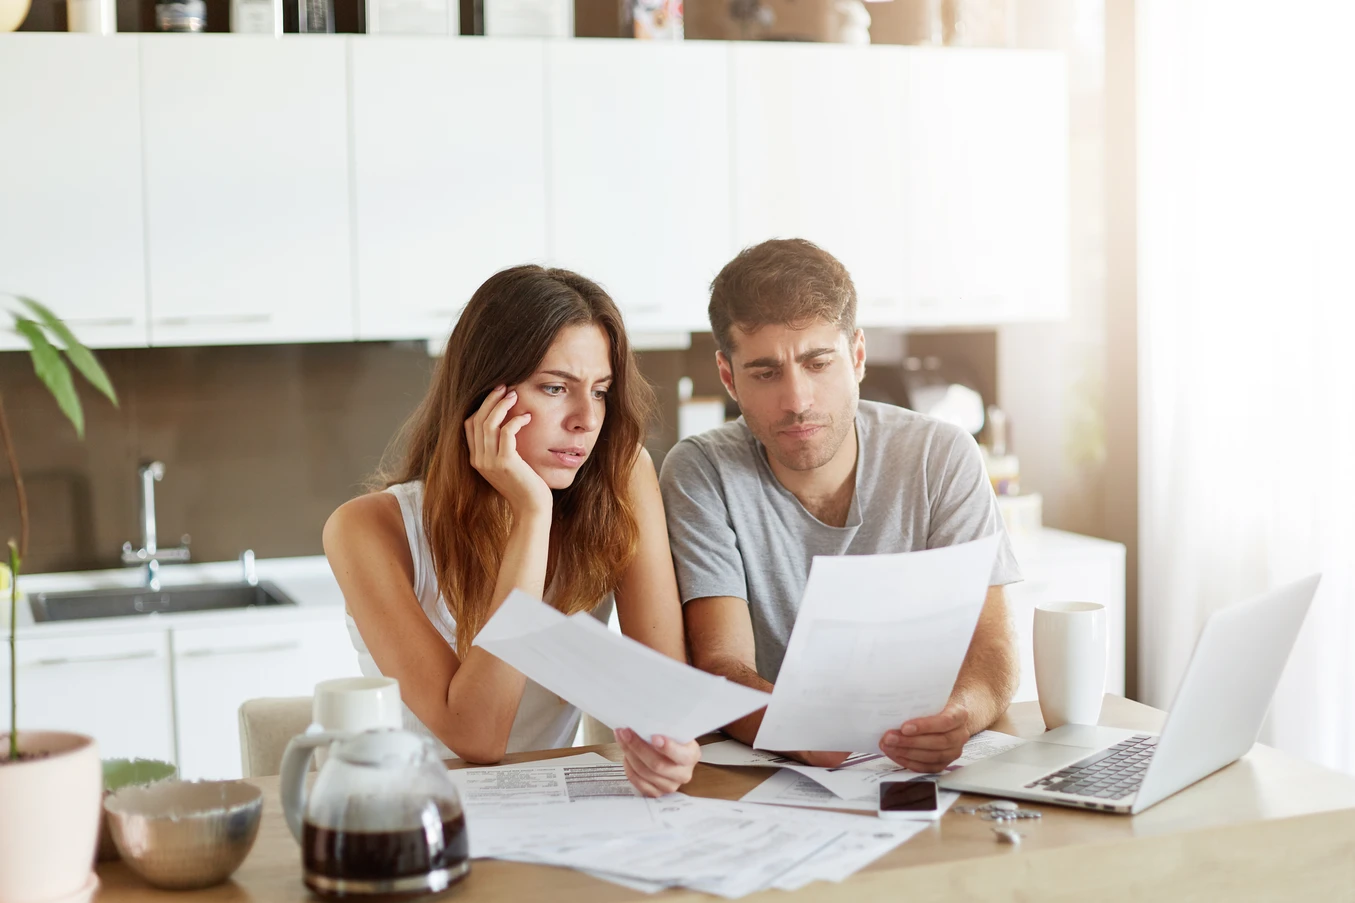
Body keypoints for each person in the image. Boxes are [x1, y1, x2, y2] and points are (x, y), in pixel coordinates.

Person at [324, 265, 699, 796]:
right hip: (409, 816)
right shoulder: (366, 530)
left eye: (599, 391)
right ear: (483, 398)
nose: (585, 420)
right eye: (554, 388)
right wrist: (532, 513)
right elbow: (477, 738)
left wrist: (670, 745)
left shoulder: (619, 478)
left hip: (552, 816)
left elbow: (666, 698)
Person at [659, 239, 1022, 771]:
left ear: (855, 356)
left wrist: (958, 717)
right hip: (777, 768)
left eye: (817, 362)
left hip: (918, 764)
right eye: (765, 373)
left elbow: (992, 646)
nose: (797, 400)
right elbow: (722, 663)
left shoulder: (940, 456)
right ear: (728, 376)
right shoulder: (700, 472)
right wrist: (805, 733)